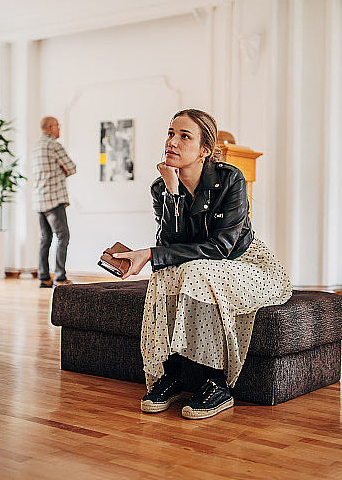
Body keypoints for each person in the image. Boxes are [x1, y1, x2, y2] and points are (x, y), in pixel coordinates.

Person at [114, 109, 292, 420]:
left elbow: (221, 247)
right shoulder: (161, 187)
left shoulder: (230, 179)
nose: (172, 142)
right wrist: (173, 193)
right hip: (198, 266)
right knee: (165, 273)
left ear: (204, 150)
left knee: (194, 270)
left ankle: (216, 384)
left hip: (247, 264)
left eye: (185, 136)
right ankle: (170, 376)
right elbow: (169, 245)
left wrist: (151, 254)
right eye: (171, 133)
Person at [31, 116, 77, 288]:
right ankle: (60, 277)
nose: (59, 129)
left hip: (39, 199)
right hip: (53, 199)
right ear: (51, 127)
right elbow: (71, 167)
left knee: (45, 238)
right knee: (63, 236)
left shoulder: (36, 147)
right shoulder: (54, 145)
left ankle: (43, 277)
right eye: (58, 126)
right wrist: (60, 169)